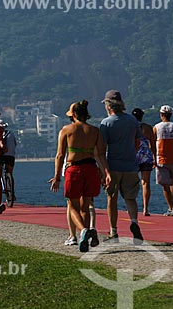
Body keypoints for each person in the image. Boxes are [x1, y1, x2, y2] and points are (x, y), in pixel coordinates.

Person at [49, 101, 111, 252]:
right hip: (91, 169)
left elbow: (60, 155)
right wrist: (106, 173)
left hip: (74, 169)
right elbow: (101, 154)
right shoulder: (95, 131)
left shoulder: (66, 130)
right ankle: (87, 233)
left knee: (72, 205)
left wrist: (57, 176)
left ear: (74, 114)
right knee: (86, 206)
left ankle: (83, 230)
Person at [99, 90, 144, 244]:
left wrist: (104, 170)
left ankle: (113, 232)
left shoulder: (106, 123)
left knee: (112, 198)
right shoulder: (132, 120)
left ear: (108, 105)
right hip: (131, 165)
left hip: (113, 166)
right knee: (130, 198)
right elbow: (138, 141)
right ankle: (134, 222)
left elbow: (102, 148)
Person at [132, 108, 156, 216]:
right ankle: (145, 209)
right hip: (146, 156)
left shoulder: (130, 128)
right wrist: (155, 157)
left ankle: (132, 207)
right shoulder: (148, 128)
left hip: (134, 156)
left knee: (132, 183)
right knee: (146, 183)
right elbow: (153, 145)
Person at [0, 120, 17, 201]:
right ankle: (12, 192)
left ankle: (1, 184)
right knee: (10, 172)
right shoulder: (11, 134)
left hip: (1, 156)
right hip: (11, 156)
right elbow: (15, 144)